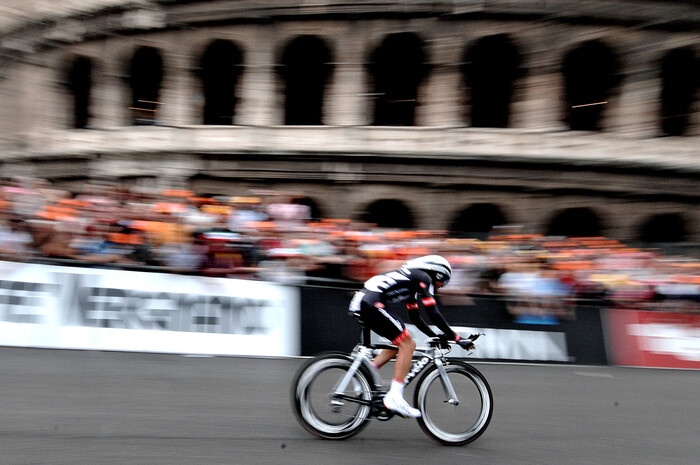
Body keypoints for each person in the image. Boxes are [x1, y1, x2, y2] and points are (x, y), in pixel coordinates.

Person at [348, 255, 475, 418]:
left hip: (363, 301)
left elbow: (416, 317)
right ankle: (395, 397)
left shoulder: (412, 282)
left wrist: (436, 336)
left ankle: (365, 373)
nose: (443, 286)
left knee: (397, 344)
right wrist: (457, 338)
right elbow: (433, 313)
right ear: (439, 273)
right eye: (445, 281)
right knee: (408, 344)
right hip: (371, 302)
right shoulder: (423, 277)